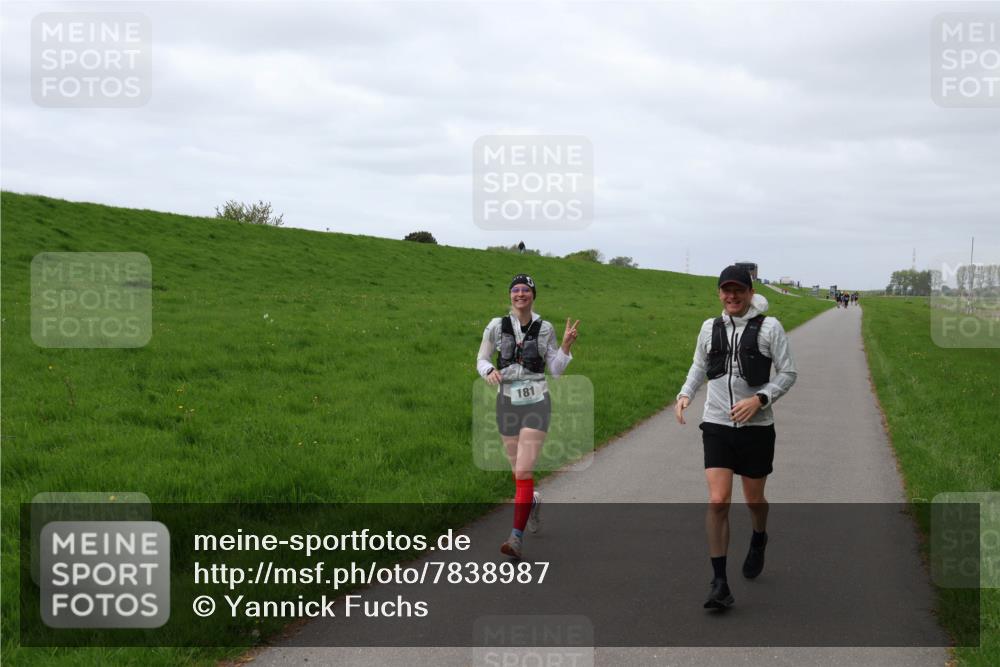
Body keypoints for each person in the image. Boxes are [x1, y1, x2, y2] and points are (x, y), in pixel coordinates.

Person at [674, 265, 798, 609]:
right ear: (719, 293)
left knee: (754, 500)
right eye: (725, 291)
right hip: (716, 424)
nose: (731, 296)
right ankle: (719, 583)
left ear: (749, 291)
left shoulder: (769, 328)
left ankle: (759, 537)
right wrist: (686, 393)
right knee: (718, 500)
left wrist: (760, 399)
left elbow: (788, 372)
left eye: (738, 290)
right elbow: (699, 365)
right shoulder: (708, 328)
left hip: (757, 427)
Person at [476, 274, 580, 559]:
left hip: (537, 403)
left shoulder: (545, 328)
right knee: (517, 473)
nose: (520, 294)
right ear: (510, 296)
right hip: (507, 402)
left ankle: (515, 538)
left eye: (526, 290)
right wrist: (488, 371)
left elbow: (556, 370)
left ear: (533, 295)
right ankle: (532, 501)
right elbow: (482, 359)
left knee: (523, 471)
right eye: (515, 290)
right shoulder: (496, 326)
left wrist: (567, 346)